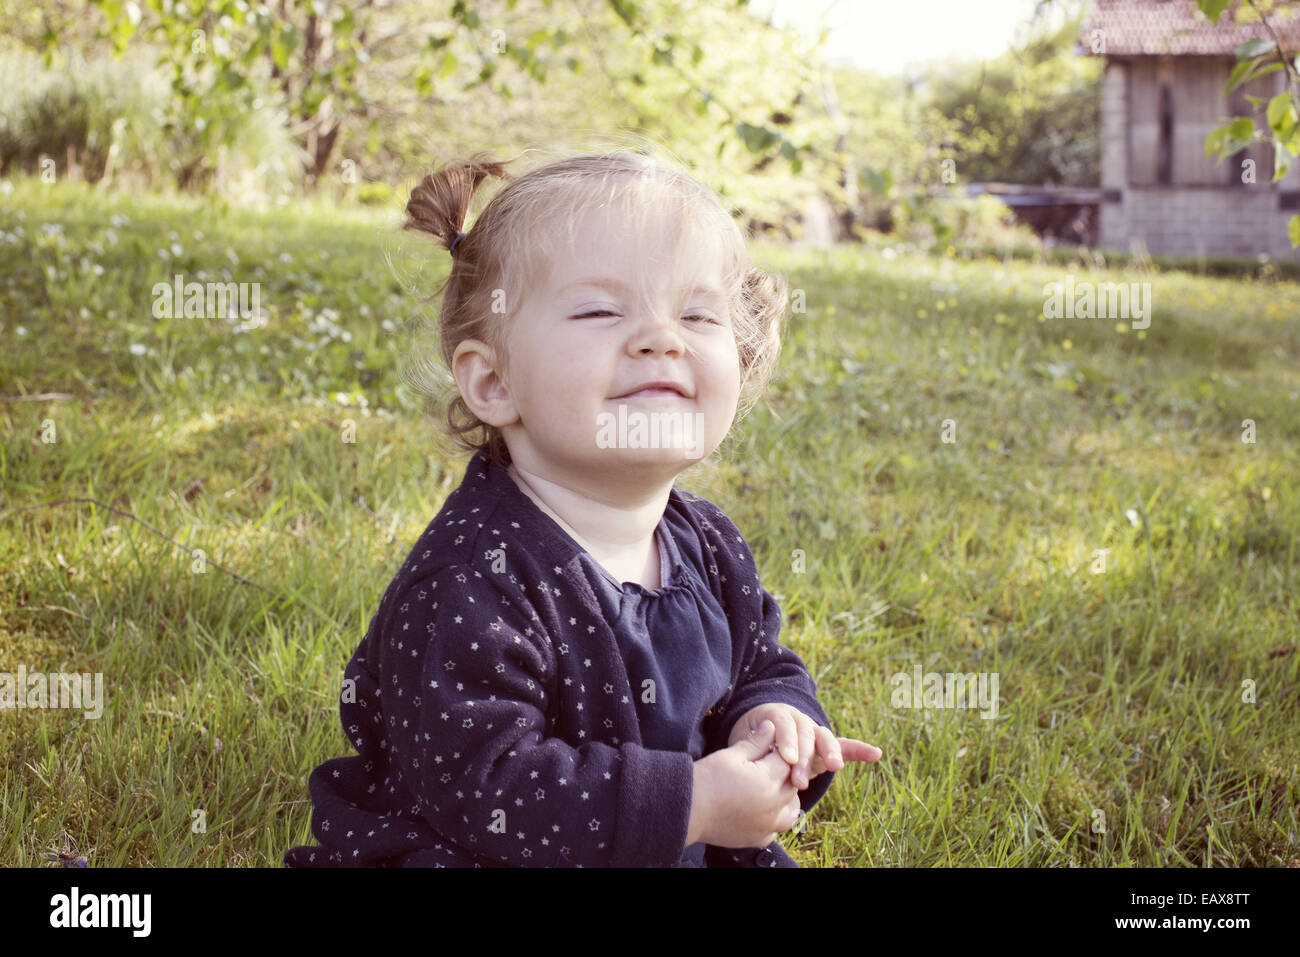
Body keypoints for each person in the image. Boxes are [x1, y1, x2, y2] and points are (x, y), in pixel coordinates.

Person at [283, 147, 881, 868]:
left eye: (698, 313)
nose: (661, 337)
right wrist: (692, 800)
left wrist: (774, 716)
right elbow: (487, 787)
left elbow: (760, 659)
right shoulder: (472, 579)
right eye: (601, 310)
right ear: (495, 381)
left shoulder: (709, 543)